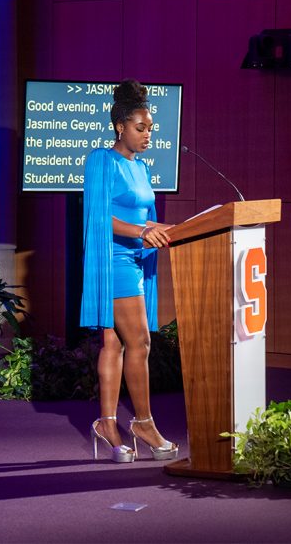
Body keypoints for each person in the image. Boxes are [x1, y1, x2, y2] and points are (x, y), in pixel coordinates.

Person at [80, 79, 178, 463]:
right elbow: (100, 218)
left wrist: (175, 230)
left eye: (151, 128)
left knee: (116, 343)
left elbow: (147, 218)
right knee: (140, 342)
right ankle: (143, 422)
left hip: (137, 261)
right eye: (142, 127)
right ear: (121, 126)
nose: (148, 134)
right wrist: (142, 231)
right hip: (115, 262)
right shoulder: (101, 161)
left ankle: (107, 423)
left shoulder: (141, 168)